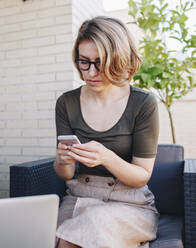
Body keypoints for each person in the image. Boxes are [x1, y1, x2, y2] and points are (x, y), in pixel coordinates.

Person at [54, 16, 159, 248]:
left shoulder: (143, 103)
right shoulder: (66, 103)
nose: (91, 73)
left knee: (87, 228)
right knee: (53, 238)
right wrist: (62, 161)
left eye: (100, 63)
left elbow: (142, 175)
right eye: (84, 62)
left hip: (130, 202)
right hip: (79, 194)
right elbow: (66, 173)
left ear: (119, 60)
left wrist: (106, 157)